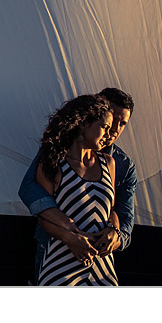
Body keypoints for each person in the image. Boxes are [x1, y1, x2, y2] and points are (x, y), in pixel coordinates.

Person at [18, 88, 137, 283]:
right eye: (110, 119)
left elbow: (120, 215)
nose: (114, 128)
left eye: (122, 123)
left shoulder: (120, 165)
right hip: (57, 253)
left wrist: (114, 235)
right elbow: (29, 190)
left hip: (101, 264)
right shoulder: (55, 153)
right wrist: (70, 233)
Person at [32, 94, 118, 285]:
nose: (109, 134)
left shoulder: (109, 163)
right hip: (62, 266)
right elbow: (44, 217)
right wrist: (70, 239)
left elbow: (110, 210)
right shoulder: (53, 163)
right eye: (104, 127)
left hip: (103, 270)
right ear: (84, 123)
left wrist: (114, 231)